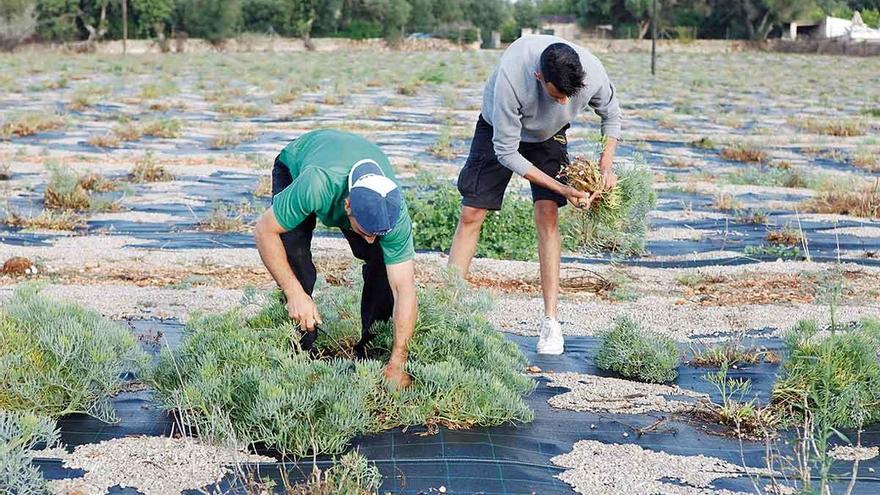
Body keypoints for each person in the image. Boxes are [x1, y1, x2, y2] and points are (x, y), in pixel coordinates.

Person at [448, 35, 622, 356]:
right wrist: (565, 189)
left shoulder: (590, 73)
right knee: (472, 212)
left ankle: (551, 322)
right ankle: (447, 309)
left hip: (549, 134)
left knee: (547, 212)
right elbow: (508, 153)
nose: (562, 103)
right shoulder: (512, 79)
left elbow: (611, 115)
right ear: (539, 77)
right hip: (498, 131)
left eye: (567, 98)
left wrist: (605, 166)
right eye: (556, 96)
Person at [254, 129, 417, 388]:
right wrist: (294, 291)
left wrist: (399, 360)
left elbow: (404, 289)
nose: (371, 239)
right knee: (296, 262)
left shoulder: (394, 215)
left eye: (378, 233)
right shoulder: (316, 185)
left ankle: (373, 355)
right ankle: (297, 355)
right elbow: (264, 230)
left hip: (346, 171)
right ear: (347, 206)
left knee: (381, 264)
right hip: (298, 163)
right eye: (366, 231)